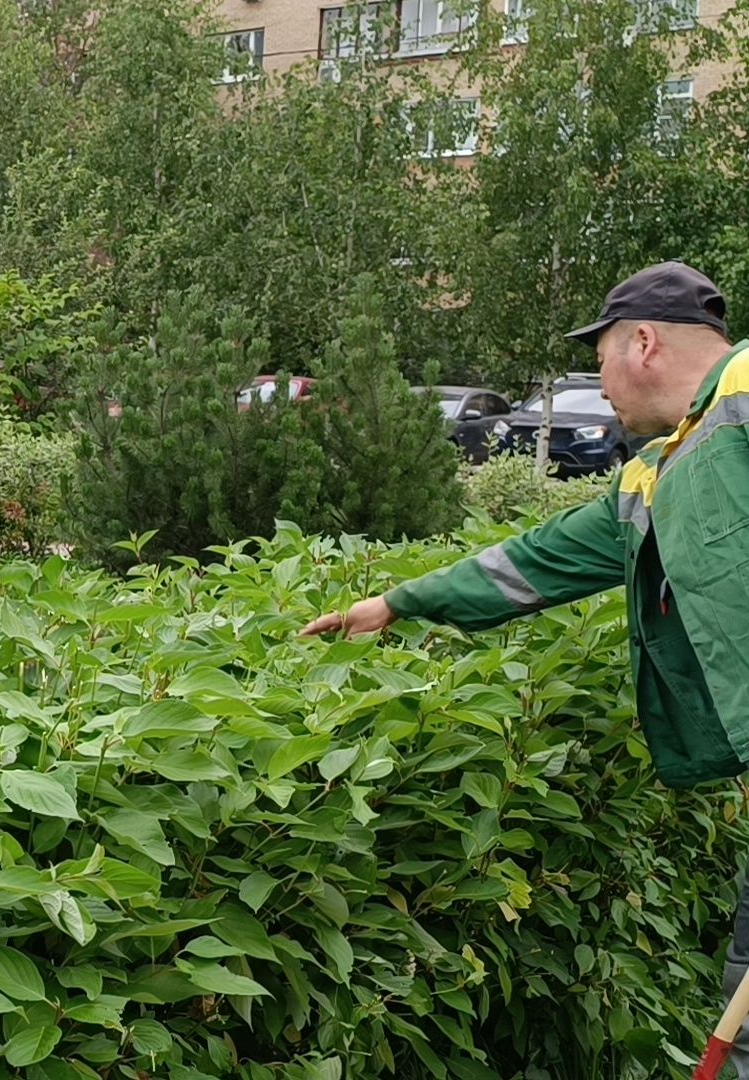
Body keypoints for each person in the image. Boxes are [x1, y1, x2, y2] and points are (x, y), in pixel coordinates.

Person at [301, 261, 749, 1066]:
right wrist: (398, 602)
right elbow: (536, 562)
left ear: (643, 343)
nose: (599, 385)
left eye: (601, 358)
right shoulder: (654, 475)